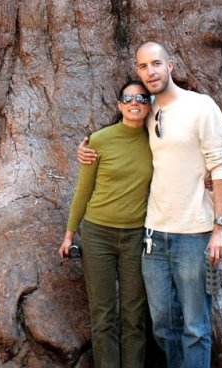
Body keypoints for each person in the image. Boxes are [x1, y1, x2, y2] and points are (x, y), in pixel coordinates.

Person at [78, 42, 222, 368]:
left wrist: (220, 227)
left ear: (171, 65)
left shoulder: (201, 107)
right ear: (138, 72)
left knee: (195, 327)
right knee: (162, 325)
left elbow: (220, 167)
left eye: (157, 64)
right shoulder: (149, 114)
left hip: (195, 235)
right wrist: (87, 147)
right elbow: (122, 137)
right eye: (144, 66)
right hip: (153, 237)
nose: (151, 71)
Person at [60, 80, 154, 368]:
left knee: (134, 315)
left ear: (149, 104)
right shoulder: (99, 140)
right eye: (128, 98)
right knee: (103, 314)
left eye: (141, 97)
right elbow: (83, 190)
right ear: (119, 105)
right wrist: (69, 235)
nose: (134, 102)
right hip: (98, 234)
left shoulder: (158, 141)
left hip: (136, 236)